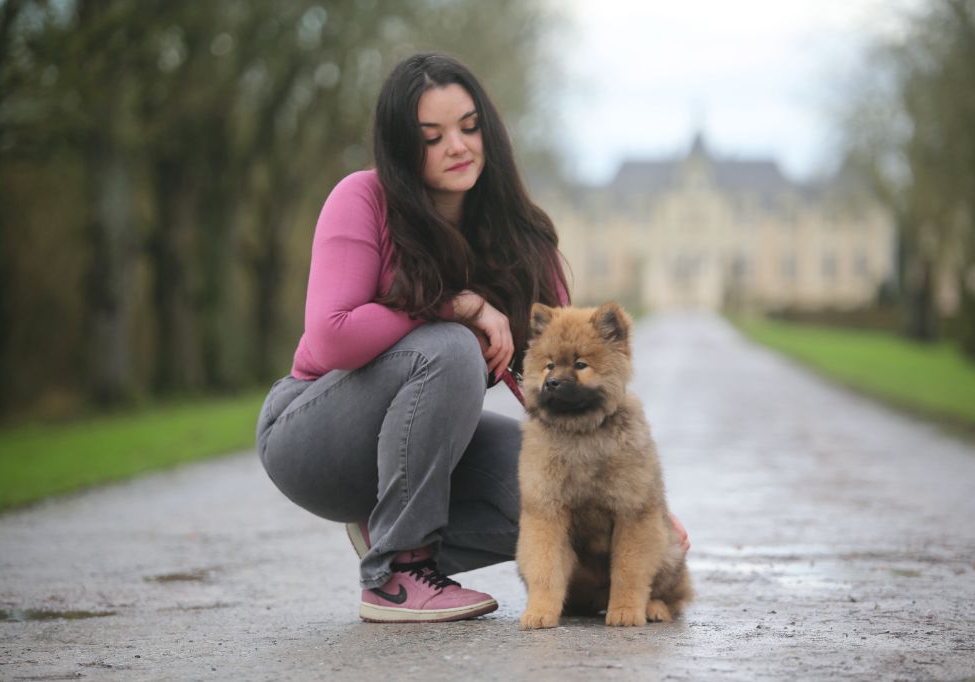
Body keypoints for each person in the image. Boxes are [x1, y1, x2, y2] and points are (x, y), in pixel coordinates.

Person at [255, 52, 688, 625]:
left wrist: (651, 512)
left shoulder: (521, 236)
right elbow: (331, 338)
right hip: (313, 435)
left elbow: (539, 381)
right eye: (431, 137)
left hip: (417, 447)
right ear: (401, 147)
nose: (457, 147)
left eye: (468, 127)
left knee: (558, 500)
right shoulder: (362, 200)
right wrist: (457, 306)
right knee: (451, 348)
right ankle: (396, 577)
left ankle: (392, 535)